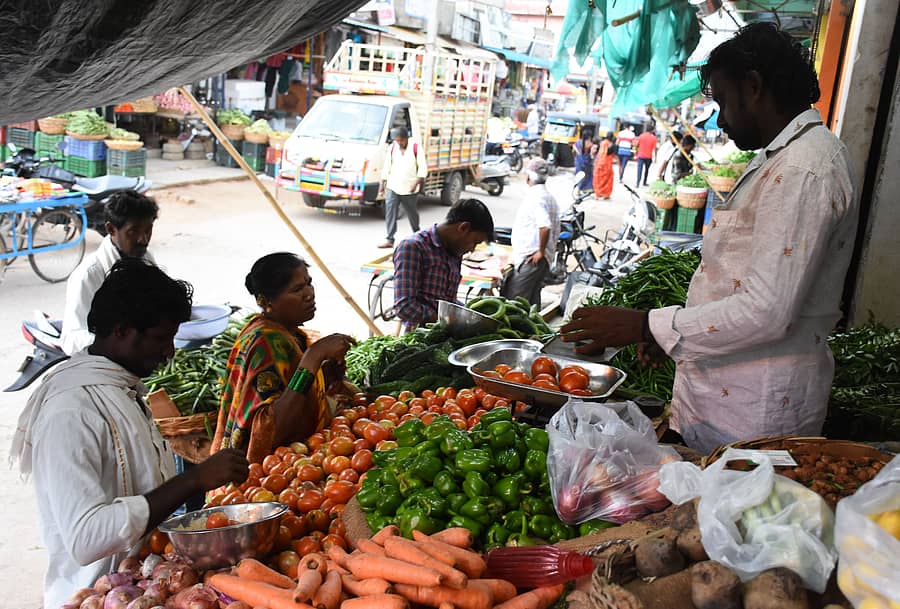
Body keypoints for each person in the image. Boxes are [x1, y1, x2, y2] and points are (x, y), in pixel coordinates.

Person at [560, 23, 859, 453]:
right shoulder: (786, 158)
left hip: (753, 415)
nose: (720, 119)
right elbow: (741, 284)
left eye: (722, 101)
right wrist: (671, 340)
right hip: (730, 401)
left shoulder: (802, 170)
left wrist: (646, 324)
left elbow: (767, 311)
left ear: (753, 86)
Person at [10, 259, 249, 609]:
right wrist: (195, 479)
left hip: (147, 584)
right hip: (96, 595)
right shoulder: (72, 410)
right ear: (121, 330)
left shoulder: (121, 388)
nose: (169, 351)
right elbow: (88, 537)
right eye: (160, 338)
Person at [212, 253, 356, 463]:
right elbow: (270, 428)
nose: (309, 294)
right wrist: (314, 357)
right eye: (297, 289)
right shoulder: (265, 342)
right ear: (265, 300)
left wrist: (326, 373)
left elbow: (287, 387)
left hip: (296, 460)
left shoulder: (289, 333)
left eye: (309, 284)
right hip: (259, 472)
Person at [61, 190, 158, 354]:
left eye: (148, 230)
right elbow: (71, 338)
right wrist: (119, 344)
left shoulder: (145, 259)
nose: (143, 239)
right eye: (133, 232)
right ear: (111, 229)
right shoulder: (88, 276)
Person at [393, 199, 495, 331]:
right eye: (475, 242)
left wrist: (469, 314)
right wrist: (448, 320)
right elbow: (404, 307)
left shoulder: (454, 250)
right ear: (463, 228)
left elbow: (448, 300)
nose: (472, 249)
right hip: (421, 338)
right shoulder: (413, 247)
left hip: (448, 335)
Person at [501, 158, 561, 306]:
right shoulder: (548, 197)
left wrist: (540, 251)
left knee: (515, 303)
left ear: (528, 177)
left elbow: (545, 226)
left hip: (532, 260)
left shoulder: (536, 197)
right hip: (540, 260)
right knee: (532, 303)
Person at [378, 127, 427, 249]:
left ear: (406, 138)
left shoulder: (416, 148)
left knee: (412, 213)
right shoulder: (393, 147)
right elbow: (387, 166)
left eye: (401, 140)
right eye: (397, 140)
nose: (399, 143)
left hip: (409, 187)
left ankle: (417, 234)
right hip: (393, 186)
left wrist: (416, 183)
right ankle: (390, 238)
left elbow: (422, 168)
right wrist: (382, 184)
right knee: (390, 212)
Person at [593, 133, 616, 199]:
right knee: (608, 179)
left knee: (598, 178)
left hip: (599, 163)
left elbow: (596, 152)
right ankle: (605, 194)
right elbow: (613, 154)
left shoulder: (601, 144)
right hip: (607, 164)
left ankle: (597, 193)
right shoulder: (612, 145)